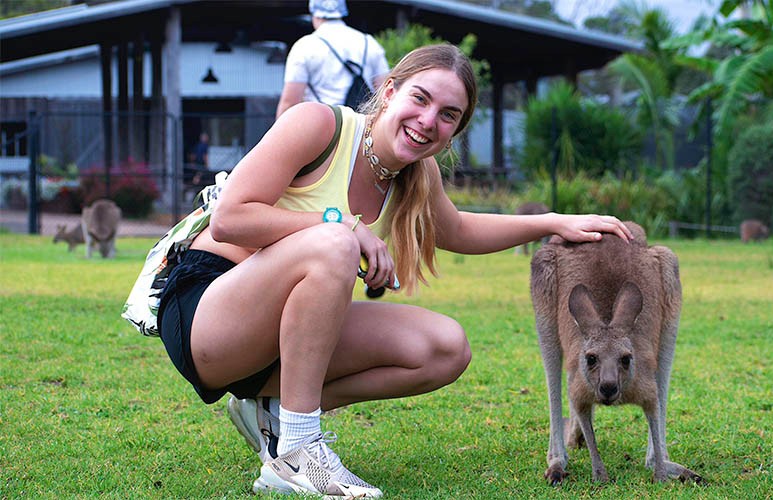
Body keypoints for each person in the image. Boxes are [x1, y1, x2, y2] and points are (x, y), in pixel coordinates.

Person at [157, 44, 634, 498]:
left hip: (276, 341)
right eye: (420, 98)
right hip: (208, 314)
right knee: (334, 243)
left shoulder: (416, 174)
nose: (428, 121)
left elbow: (461, 230)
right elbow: (230, 218)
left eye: (448, 115)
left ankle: (275, 408)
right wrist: (341, 223)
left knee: (445, 348)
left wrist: (555, 221)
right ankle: (299, 450)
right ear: (389, 91)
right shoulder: (319, 125)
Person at [275, 0, 390, 118]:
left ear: (314, 14)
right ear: (342, 12)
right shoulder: (369, 42)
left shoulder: (304, 46)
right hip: (361, 126)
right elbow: (385, 90)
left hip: (324, 127)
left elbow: (289, 102)